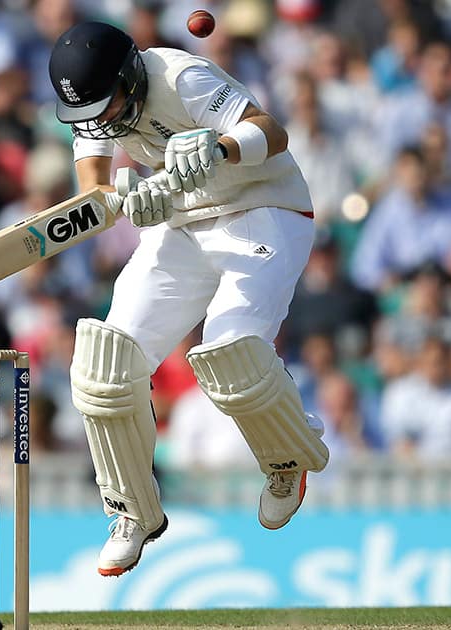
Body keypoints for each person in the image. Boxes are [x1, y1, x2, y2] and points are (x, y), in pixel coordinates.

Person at [48, 22, 329, 576]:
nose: (102, 121)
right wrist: (128, 198)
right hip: (181, 226)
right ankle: (132, 510)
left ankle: (287, 456)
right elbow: (93, 193)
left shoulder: (181, 76)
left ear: (130, 75)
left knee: (230, 353)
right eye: (90, 115)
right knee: (105, 365)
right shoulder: (97, 107)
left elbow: (271, 131)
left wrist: (219, 149)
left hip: (264, 209)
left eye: (109, 106)